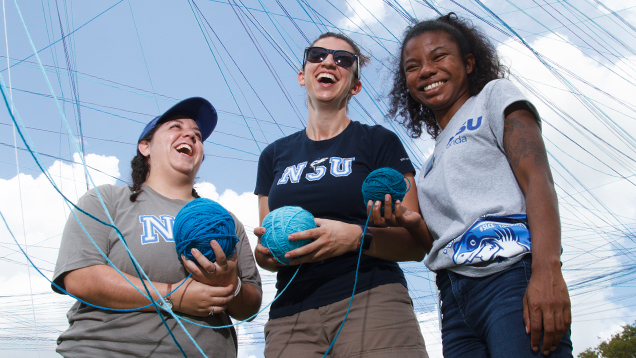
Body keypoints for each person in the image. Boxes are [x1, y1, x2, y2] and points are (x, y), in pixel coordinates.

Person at [382, 13, 573, 358]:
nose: (426, 70)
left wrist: (548, 270)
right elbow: (441, 242)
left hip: (510, 279)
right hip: (455, 302)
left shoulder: (493, 97)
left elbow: (538, 180)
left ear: (469, 63)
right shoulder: (430, 164)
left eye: (439, 56)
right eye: (413, 66)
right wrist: (410, 222)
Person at [254, 32, 430, 358]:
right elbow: (268, 246)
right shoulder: (272, 156)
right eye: (317, 55)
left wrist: (355, 237)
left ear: (355, 86)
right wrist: (265, 254)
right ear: (302, 75)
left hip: (372, 301)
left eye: (343, 59)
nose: (329, 62)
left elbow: (417, 244)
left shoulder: (380, 142)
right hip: (291, 317)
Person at [52, 97, 262, 357]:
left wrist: (231, 285)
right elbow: (79, 278)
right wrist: (173, 296)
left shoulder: (224, 221)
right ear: (145, 146)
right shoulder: (106, 200)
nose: (190, 135)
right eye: (175, 127)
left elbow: (250, 307)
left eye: (197, 135)